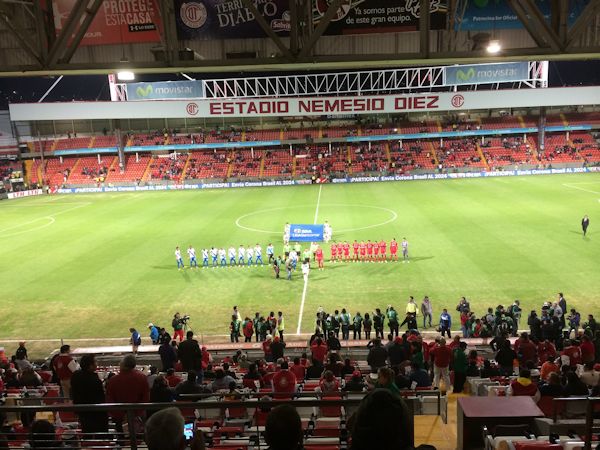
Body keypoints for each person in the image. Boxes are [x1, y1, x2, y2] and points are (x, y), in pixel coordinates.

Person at [106, 355, 150, 437]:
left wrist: (120, 415)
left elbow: (109, 400)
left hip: (120, 417)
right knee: (138, 440)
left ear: (123, 364)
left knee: (122, 439)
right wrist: (137, 413)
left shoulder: (113, 380)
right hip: (138, 415)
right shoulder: (142, 378)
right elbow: (146, 398)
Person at [70, 354, 108, 436]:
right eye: (95, 362)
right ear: (90, 366)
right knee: (100, 435)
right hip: (96, 413)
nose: (96, 364)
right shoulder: (94, 380)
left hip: (82, 411)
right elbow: (100, 398)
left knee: (87, 433)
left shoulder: (76, 375)